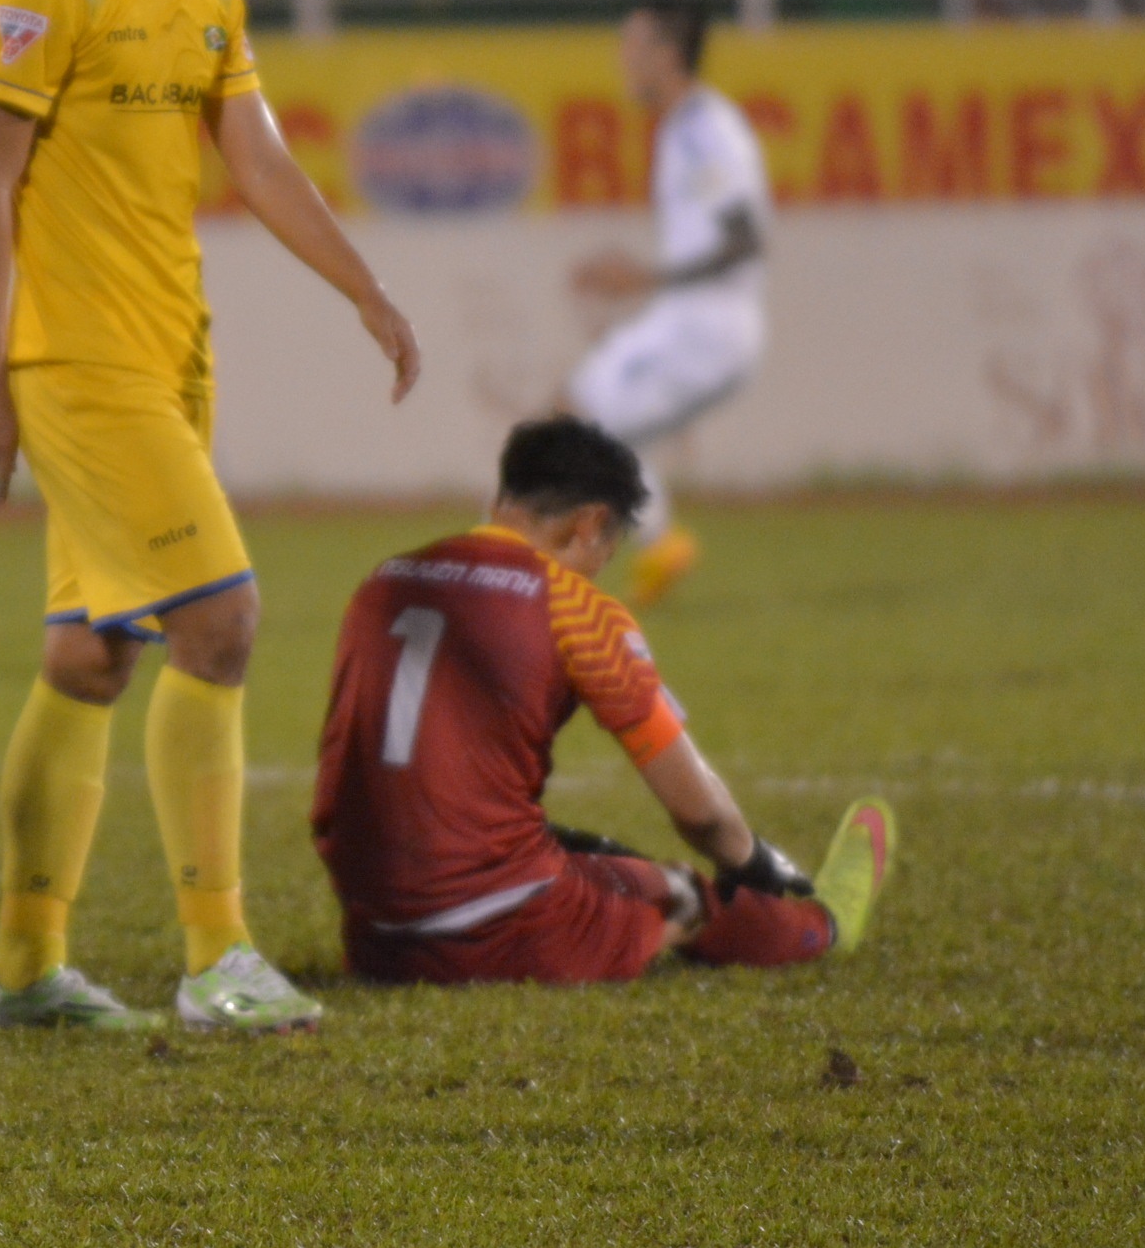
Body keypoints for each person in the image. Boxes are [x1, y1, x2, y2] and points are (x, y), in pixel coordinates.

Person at [0, 0, 421, 1035]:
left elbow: (260, 161)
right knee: (219, 623)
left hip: (169, 361)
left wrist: (365, 289)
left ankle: (29, 970)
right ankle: (218, 957)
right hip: (78, 362)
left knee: (91, 658)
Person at [313, 416, 894, 985]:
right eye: (607, 553)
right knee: (683, 894)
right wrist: (753, 862)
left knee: (598, 864)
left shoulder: (383, 581)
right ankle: (824, 926)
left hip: (373, 934)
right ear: (589, 525)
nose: (598, 571)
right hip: (495, 934)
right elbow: (701, 813)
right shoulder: (574, 608)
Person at [566, 0, 771, 608]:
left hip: (710, 326)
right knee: (587, 425)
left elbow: (744, 240)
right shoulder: (683, 127)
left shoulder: (709, 130)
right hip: (690, 321)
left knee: (574, 427)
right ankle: (657, 544)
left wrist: (643, 277)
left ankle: (524, 583)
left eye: (634, 47)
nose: (622, 60)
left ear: (668, 55)